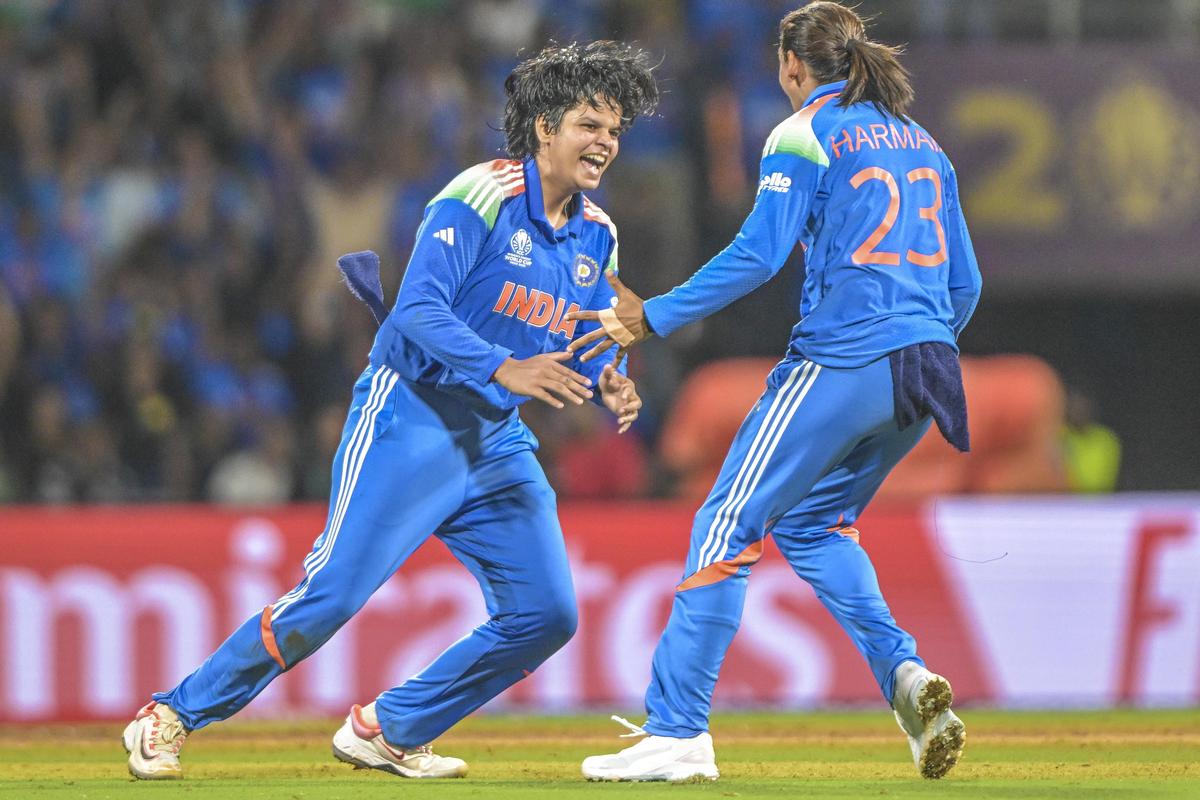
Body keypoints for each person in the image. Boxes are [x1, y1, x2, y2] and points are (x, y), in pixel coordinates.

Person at [122, 40, 657, 781]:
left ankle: (391, 728)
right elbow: (415, 311)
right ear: (543, 127)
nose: (606, 142)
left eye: (615, 130)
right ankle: (171, 714)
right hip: (413, 414)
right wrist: (506, 366)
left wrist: (612, 376)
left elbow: (589, 327)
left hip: (495, 439)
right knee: (330, 597)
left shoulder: (599, 231)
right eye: (590, 125)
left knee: (547, 614)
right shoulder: (480, 194)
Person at [572, 2, 981, 782]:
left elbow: (758, 256)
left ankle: (678, 731)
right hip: (927, 366)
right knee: (817, 525)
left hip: (846, 358)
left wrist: (650, 316)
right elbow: (966, 283)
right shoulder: (925, 145)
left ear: (792, 66)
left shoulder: (802, 133)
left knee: (728, 519)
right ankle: (907, 679)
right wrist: (916, 340)